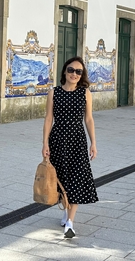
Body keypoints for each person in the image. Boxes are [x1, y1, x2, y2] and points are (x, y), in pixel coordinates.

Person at [42, 56, 98, 238]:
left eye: (79, 71)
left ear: (82, 75)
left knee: (77, 179)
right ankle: (66, 212)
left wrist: (93, 143)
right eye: (71, 70)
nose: (74, 74)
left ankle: (70, 223)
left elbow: (88, 119)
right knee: (60, 179)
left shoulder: (85, 93)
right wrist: (44, 143)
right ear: (65, 72)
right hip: (57, 140)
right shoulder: (54, 92)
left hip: (77, 142)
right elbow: (48, 119)